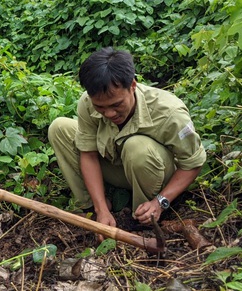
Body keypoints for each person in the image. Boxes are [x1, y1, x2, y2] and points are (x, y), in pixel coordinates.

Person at [48, 47, 206, 235]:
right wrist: (101, 210)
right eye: (100, 107)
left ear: (132, 85)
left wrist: (161, 201)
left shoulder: (170, 113)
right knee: (59, 128)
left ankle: (143, 217)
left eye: (116, 105)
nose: (109, 113)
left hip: (158, 174)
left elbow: (193, 164)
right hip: (120, 168)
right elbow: (88, 154)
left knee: (136, 147)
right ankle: (93, 209)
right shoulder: (87, 102)